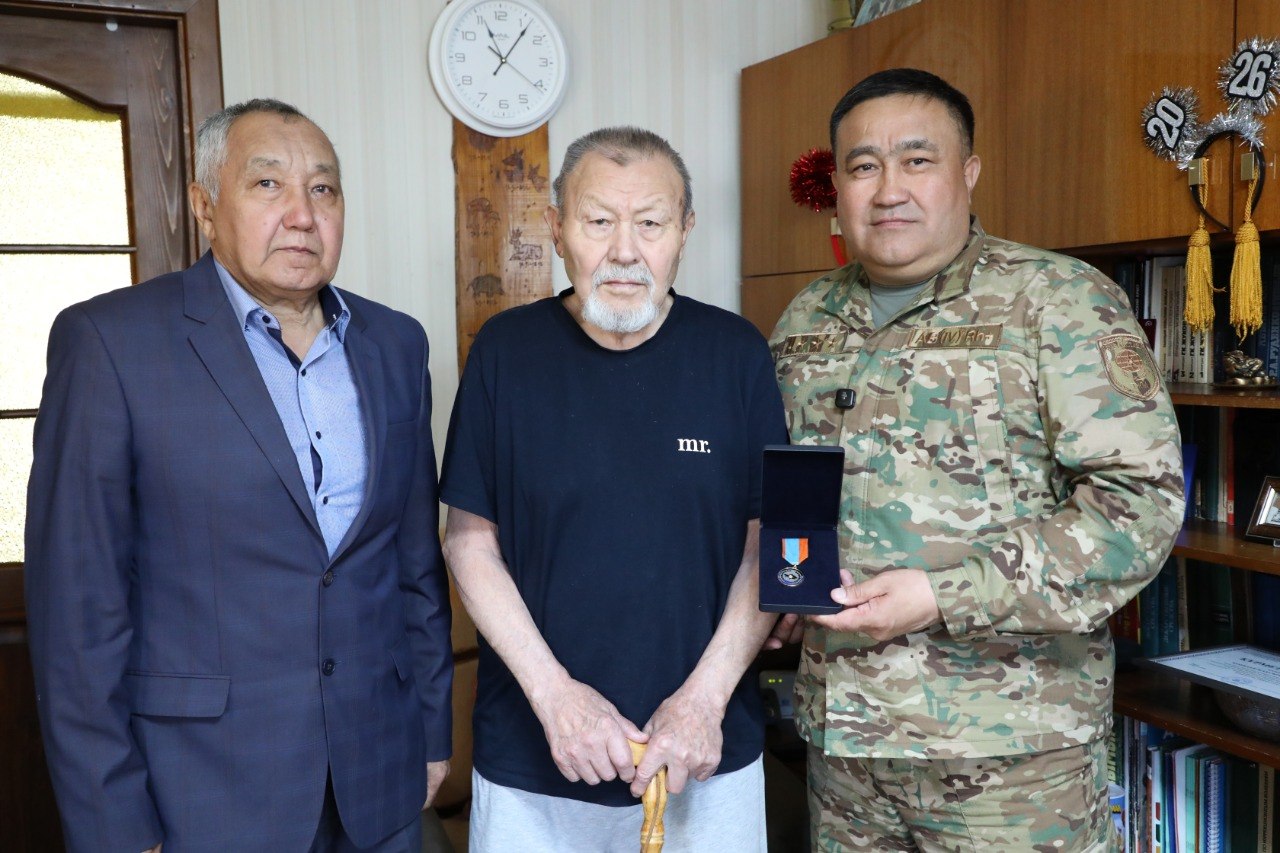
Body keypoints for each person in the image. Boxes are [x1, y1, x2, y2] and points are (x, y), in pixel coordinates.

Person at [765, 69, 1184, 851]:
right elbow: (785, 494)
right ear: (838, 188)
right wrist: (779, 590)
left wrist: (941, 594)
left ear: (968, 172)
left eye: (917, 160)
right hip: (845, 748)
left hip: (1013, 761)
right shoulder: (804, 320)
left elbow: (1139, 509)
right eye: (863, 166)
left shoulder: (1058, 302)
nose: (889, 189)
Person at [25, 98, 452, 853]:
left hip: (380, 772)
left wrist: (431, 730)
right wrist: (113, 824)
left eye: (323, 189)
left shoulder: (394, 342)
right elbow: (77, 613)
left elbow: (414, 562)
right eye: (267, 184)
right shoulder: (111, 343)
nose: (303, 215)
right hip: (204, 790)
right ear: (204, 206)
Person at [440, 126, 787, 852]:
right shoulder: (505, 350)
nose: (625, 250)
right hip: (533, 756)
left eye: (651, 223)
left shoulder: (737, 354)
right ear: (557, 228)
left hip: (706, 753)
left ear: (685, 231)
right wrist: (557, 699)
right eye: (599, 221)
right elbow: (469, 541)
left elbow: (769, 546)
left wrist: (702, 702)